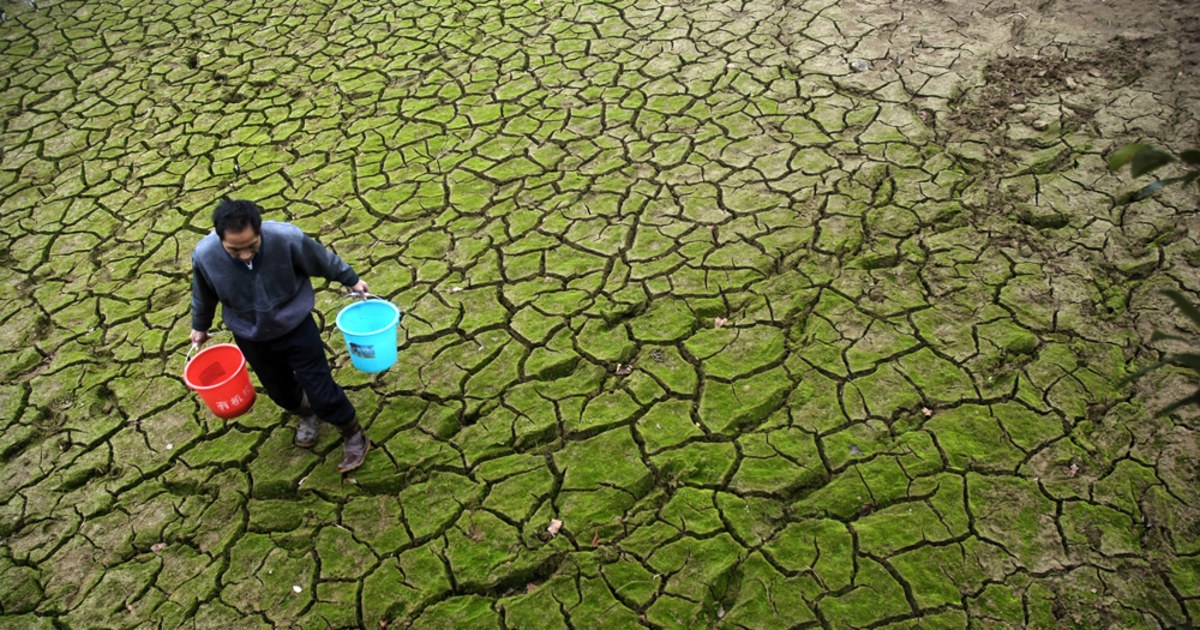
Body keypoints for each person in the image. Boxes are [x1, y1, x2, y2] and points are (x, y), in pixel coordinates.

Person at [189, 198, 370, 473]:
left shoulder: (285, 238)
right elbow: (202, 294)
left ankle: (351, 431)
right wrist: (199, 327)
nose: (246, 255)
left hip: (296, 326)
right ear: (219, 237)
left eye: (252, 246)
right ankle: (307, 414)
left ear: (260, 230)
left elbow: (322, 260)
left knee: (320, 389)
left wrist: (352, 280)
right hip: (250, 334)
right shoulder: (205, 255)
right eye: (235, 250)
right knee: (281, 392)